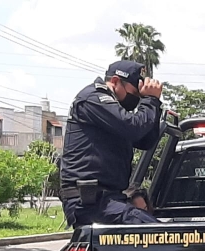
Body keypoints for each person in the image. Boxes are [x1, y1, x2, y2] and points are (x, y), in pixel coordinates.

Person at [59, 60, 164, 228]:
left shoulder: (114, 113)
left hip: (108, 199)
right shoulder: (93, 98)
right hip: (88, 202)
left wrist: (154, 105)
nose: (136, 100)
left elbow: (145, 140)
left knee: (154, 231)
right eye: (134, 94)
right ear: (115, 81)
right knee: (157, 234)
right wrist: (150, 101)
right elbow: (134, 128)